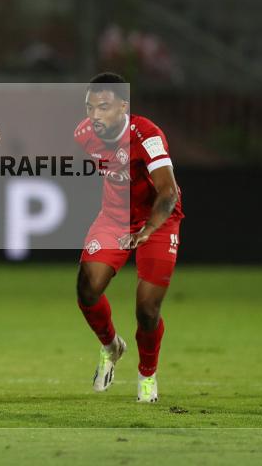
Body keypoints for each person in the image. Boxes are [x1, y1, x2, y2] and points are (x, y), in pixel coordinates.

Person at [73, 72, 183, 402]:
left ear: (123, 107)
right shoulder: (84, 134)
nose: (95, 116)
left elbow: (168, 192)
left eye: (103, 107)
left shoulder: (147, 135)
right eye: (90, 107)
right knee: (87, 288)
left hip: (159, 222)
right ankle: (111, 346)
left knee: (147, 309)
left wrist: (147, 230)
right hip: (114, 219)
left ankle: (147, 374)